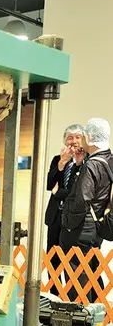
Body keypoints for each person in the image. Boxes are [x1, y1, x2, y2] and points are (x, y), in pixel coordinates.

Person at [61, 118, 113, 303]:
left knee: (78, 278)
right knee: (92, 272)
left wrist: (68, 223)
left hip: (81, 230)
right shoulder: (109, 159)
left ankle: (80, 316)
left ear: (90, 138)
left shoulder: (92, 164)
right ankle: (97, 312)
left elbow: (83, 199)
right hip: (97, 226)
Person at [45, 124, 85, 294]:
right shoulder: (58, 159)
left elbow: (78, 193)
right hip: (55, 216)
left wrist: (58, 192)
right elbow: (49, 184)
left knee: (72, 260)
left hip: (74, 219)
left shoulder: (87, 161)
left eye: (77, 137)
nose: (73, 141)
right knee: (52, 258)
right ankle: (54, 296)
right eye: (70, 137)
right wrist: (62, 163)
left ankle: (71, 296)